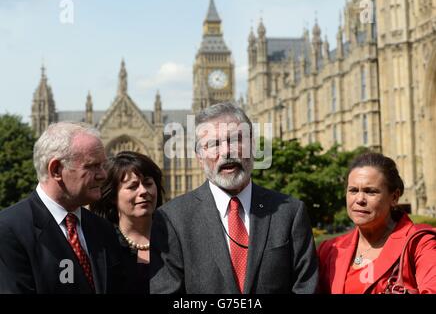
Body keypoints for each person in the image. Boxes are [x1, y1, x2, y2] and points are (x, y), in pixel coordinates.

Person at [150, 102, 318, 294]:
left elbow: (306, 287)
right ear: (199, 156)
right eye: (213, 144)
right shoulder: (171, 219)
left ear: (252, 145)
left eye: (236, 140)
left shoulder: (290, 212)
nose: (227, 151)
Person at [0, 122, 124, 294]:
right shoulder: (9, 230)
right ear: (56, 169)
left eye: (103, 165)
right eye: (92, 166)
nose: (103, 175)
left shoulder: (103, 229)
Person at [317, 152, 436, 294]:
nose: (360, 199)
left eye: (371, 192)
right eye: (353, 190)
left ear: (394, 197)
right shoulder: (330, 250)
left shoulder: (419, 242)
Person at [90, 151, 164, 294]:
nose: (143, 191)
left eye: (148, 183)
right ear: (112, 196)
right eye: (133, 186)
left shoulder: (175, 237)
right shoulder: (99, 245)